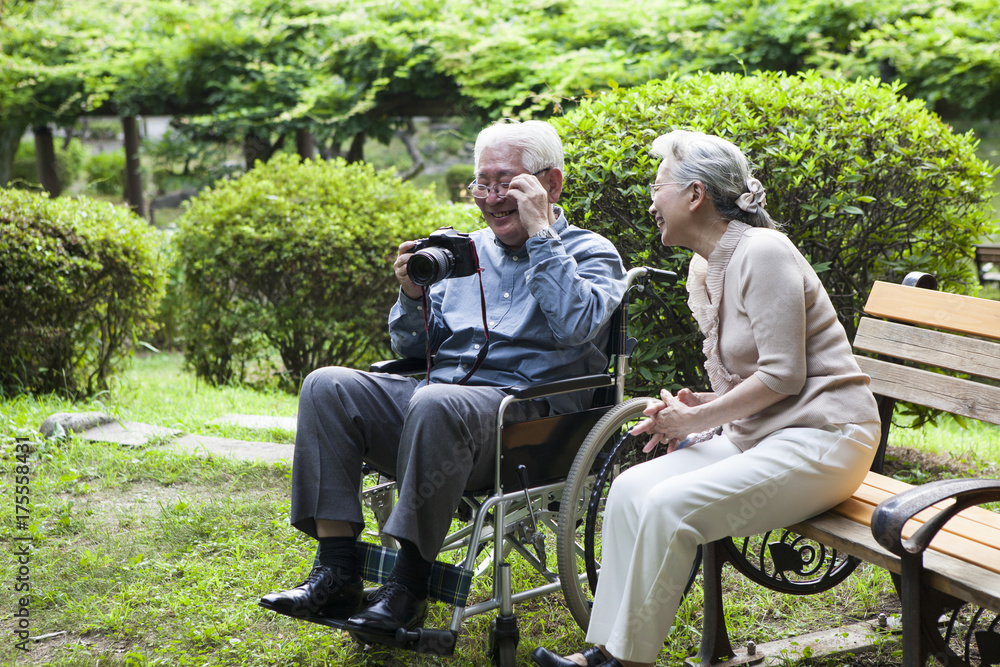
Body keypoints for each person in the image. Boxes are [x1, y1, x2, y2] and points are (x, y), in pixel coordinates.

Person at [259, 119, 628, 642]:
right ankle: (336, 571)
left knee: (436, 402)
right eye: (482, 184)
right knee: (327, 385)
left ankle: (407, 588)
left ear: (551, 184)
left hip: (524, 426)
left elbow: (574, 325)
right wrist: (411, 296)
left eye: (507, 182)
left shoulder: (591, 251)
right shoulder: (461, 254)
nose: (493, 197)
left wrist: (543, 237)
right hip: (438, 411)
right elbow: (412, 351)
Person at [531, 130, 881, 667]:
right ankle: (602, 652)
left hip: (826, 437)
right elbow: (746, 374)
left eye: (657, 186)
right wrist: (701, 409)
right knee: (629, 490)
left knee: (672, 507)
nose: (650, 200)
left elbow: (784, 378)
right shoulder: (704, 265)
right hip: (761, 435)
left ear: (695, 195)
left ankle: (627, 663)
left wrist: (694, 418)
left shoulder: (764, 252)